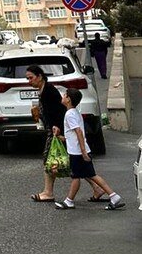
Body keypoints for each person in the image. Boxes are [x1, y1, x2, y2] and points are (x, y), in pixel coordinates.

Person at [55, 87, 124, 210]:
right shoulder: (75, 112)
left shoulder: (69, 114)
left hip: (77, 152)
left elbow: (79, 132)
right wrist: (61, 137)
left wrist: (82, 152)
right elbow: (73, 135)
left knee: (77, 177)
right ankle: (113, 196)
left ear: (69, 99)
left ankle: (69, 201)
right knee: (91, 175)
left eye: (65, 95)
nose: (62, 96)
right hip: (79, 150)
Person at [27, 63, 66, 203]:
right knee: (74, 163)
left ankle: (48, 192)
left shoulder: (48, 91)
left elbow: (58, 112)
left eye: (31, 78)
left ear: (40, 77)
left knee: (50, 160)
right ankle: (97, 188)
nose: (29, 81)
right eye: (27, 78)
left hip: (56, 131)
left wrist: (58, 130)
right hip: (55, 129)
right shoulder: (43, 91)